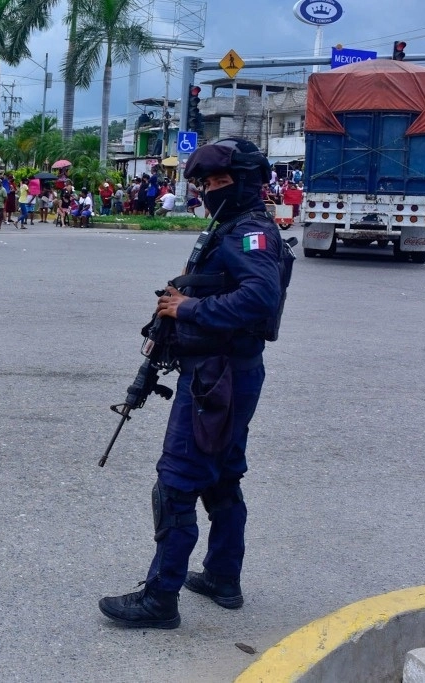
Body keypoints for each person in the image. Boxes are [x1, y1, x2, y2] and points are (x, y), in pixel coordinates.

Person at [98, 138, 284, 630]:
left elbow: (259, 301)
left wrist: (188, 308)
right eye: (203, 183)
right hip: (222, 374)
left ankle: (160, 599)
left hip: (217, 379)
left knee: (176, 485)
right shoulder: (231, 226)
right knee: (221, 477)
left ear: (244, 182)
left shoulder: (251, 234)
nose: (208, 190)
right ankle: (223, 577)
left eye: (218, 181)